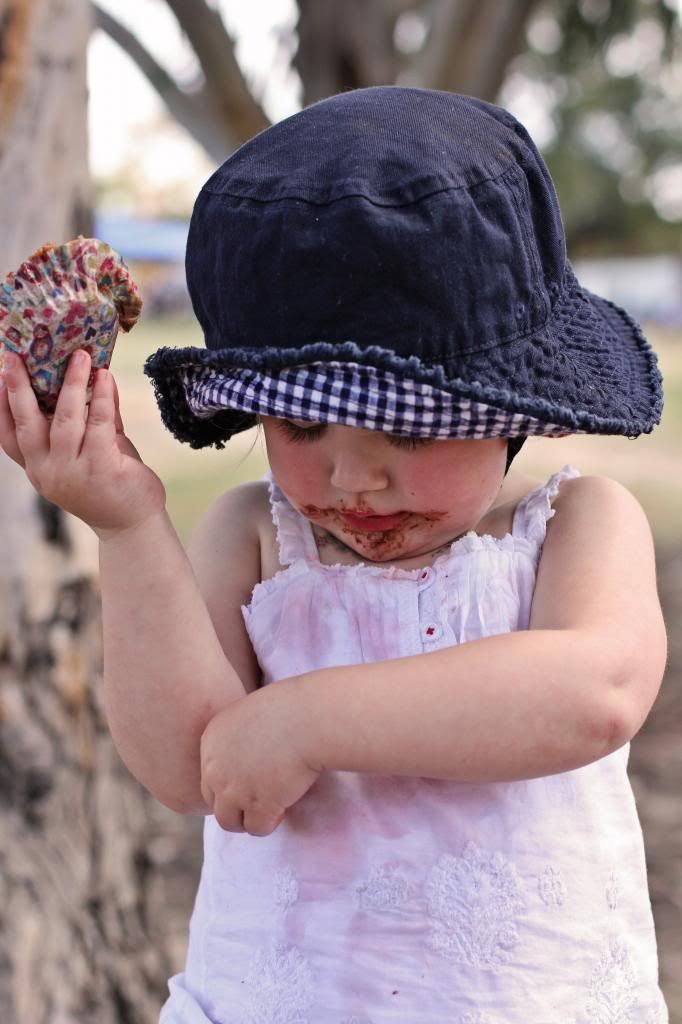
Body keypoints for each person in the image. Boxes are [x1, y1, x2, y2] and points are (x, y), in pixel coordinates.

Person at [0, 87, 669, 1023]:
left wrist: (306, 721)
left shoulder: (573, 526)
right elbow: (190, 769)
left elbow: (592, 695)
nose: (353, 478)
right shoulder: (256, 537)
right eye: (303, 424)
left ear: (514, 411)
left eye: (410, 431)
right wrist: (127, 527)